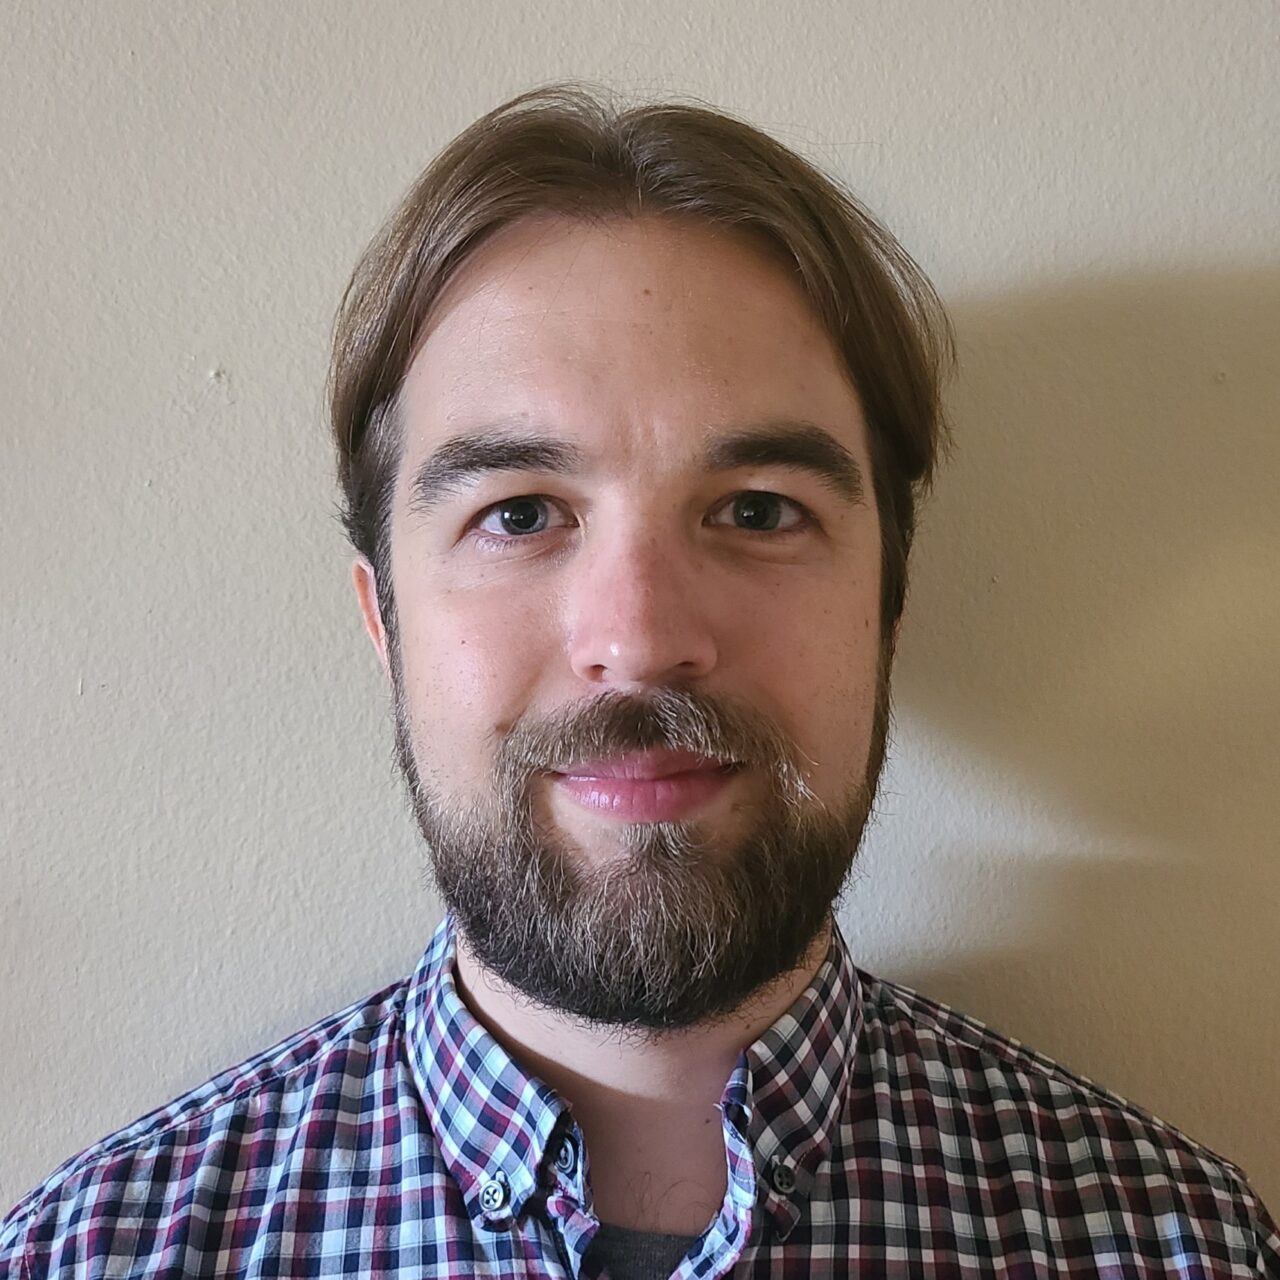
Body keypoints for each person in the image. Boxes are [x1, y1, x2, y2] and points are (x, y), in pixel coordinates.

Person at [3, 83, 1276, 1280]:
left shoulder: (1176, 1243)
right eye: (519, 514)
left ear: (891, 601)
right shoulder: (88, 1251)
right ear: (381, 617)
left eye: (758, 507)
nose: (639, 636)